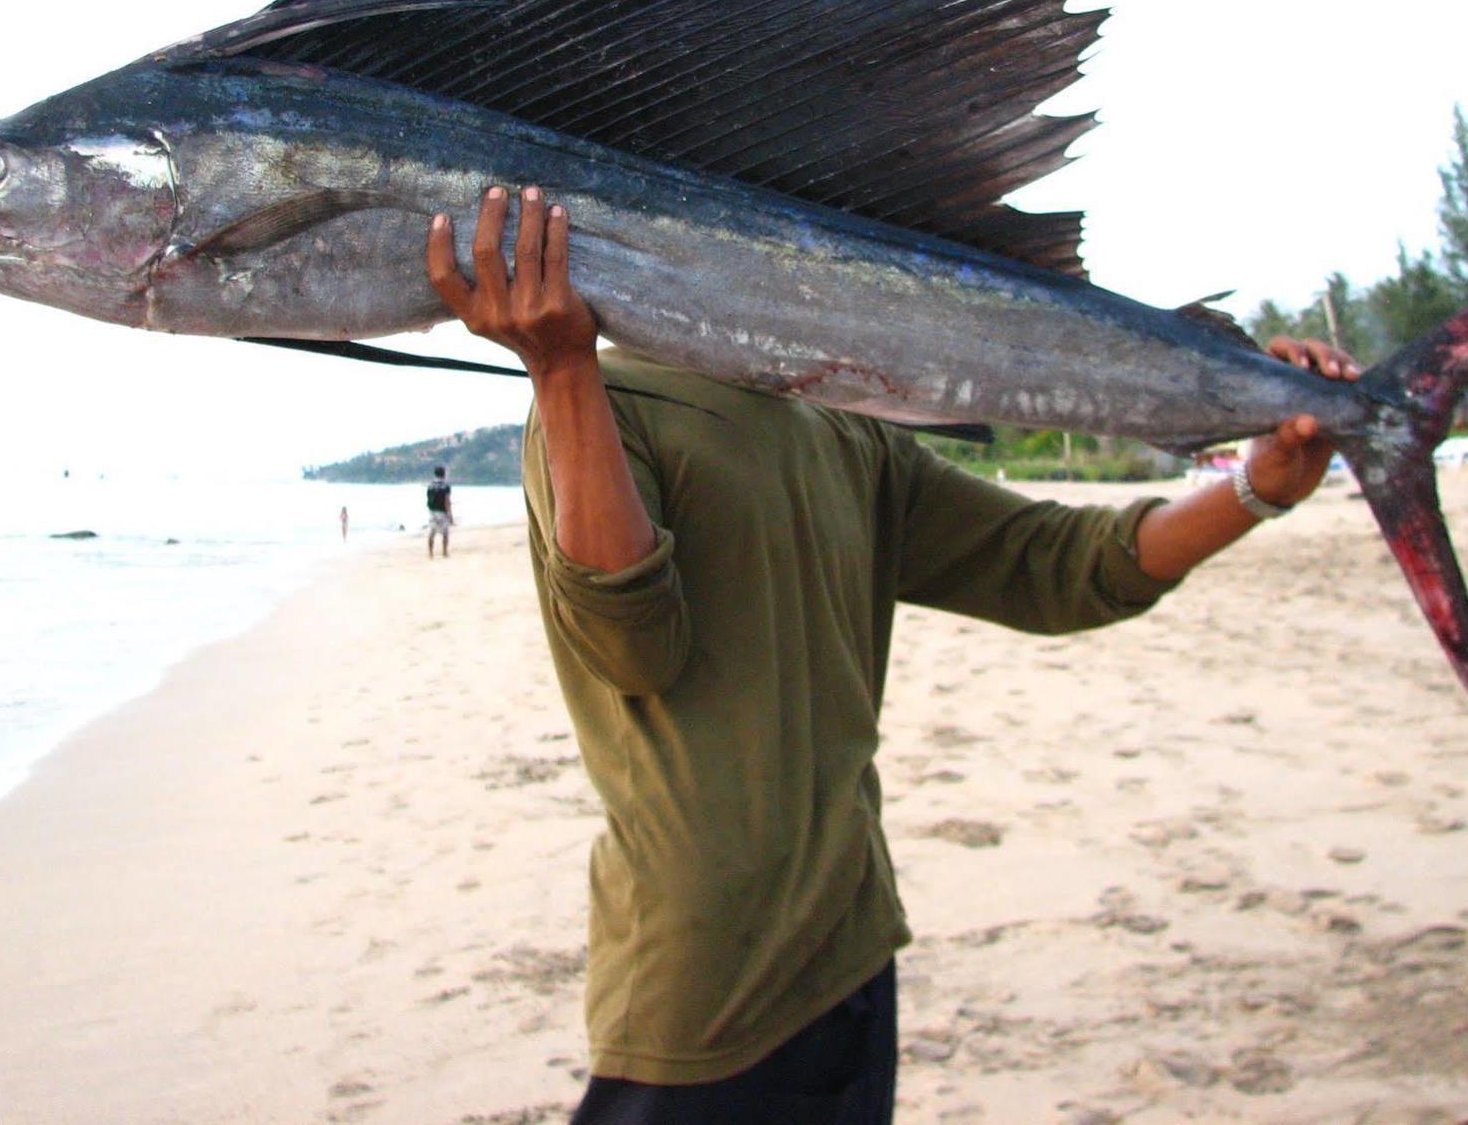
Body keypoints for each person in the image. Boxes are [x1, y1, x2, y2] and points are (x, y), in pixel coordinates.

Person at [426, 185, 1358, 1125]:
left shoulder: (840, 415)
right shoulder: (605, 401)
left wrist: (1258, 488)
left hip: (852, 943)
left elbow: (1058, 568)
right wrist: (560, 370)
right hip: (704, 988)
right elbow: (630, 650)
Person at [426, 465, 455, 557]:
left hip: (432, 511)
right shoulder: (445, 486)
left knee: (431, 533)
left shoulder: (430, 485)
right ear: (443, 474)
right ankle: (444, 552)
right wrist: (450, 515)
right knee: (445, 533)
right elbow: (447, 501)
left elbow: (428, 499)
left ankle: (430, 553)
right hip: (442, 511)